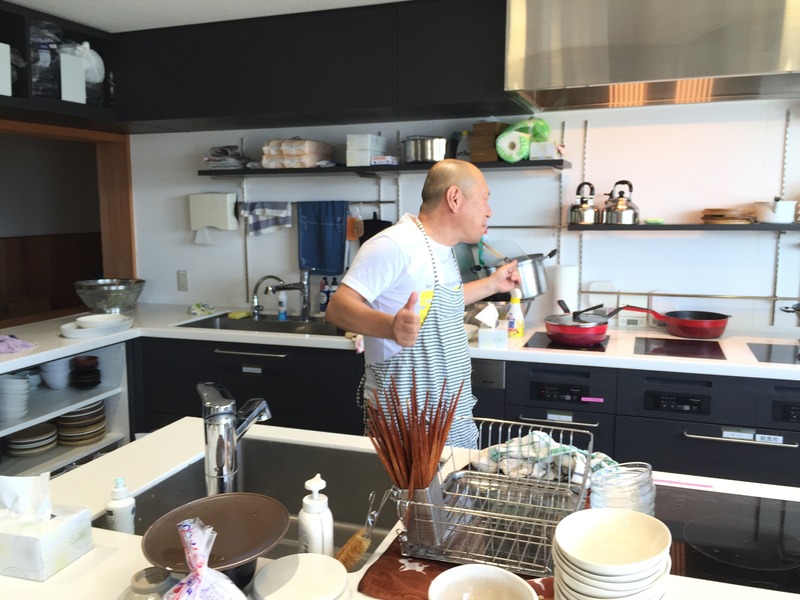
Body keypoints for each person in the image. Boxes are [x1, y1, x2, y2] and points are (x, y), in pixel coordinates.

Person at [325, 159, 520, 449]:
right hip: (405, 426)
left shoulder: (443, 249)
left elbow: (441, 301)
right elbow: (338, 308)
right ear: (454, 198)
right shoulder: (393, 245)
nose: (489, 211)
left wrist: (492, 285)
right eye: (484, 199)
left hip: (450, 419)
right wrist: (390, 327)